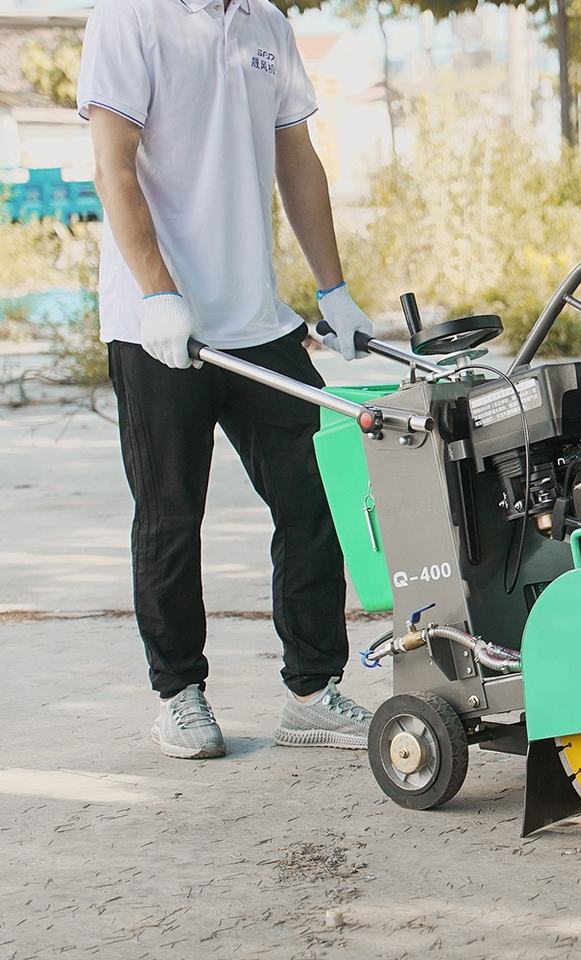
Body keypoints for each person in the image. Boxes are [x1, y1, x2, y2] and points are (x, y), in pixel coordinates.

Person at [77, 0, 375, 759]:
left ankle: (312, 692)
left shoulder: (266, 24)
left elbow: (296, 159)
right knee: (171, 516)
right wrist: (157, 292)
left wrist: (333, 289)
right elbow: (113, 167)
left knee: (312, 505)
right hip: (158, 326)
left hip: (258, 323)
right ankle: (179, 695)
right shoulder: (129, 17)